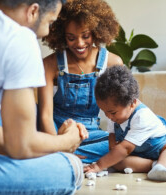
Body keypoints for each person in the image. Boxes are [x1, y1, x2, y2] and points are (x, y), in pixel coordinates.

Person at [0, 0, 89, 194]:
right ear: (33, 11)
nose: (46, 33)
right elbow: (20, 146)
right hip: (23, 141)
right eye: (50, 22)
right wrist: (66, 141)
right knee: (70, 168)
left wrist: (48, 144)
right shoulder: (18, 37)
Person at [39, 0, 123, 164]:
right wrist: (59, 146)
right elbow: (45, 116)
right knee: (37, 141)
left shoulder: (114, 63)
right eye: (71, 38)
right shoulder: (50, 64)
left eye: (86, 36)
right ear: (61, 35)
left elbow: (123, 110)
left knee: (122, 145)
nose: (79, 44)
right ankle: (61, 156)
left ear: (97, 32)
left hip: (91, 133)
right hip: (56, 131)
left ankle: (62, 158)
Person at [84, 65, 166, 182]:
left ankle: (163, 165)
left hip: (157, 148)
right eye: (105, 112)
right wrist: (113, 147)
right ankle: (154, 165)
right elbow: (112, 133)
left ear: (132, 103)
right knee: (116, 161)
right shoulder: (114, 115)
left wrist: (98, 165)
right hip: (136, 153)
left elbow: (125, 148)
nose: (109, 117)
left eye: (112, 112)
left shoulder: (142, 117)